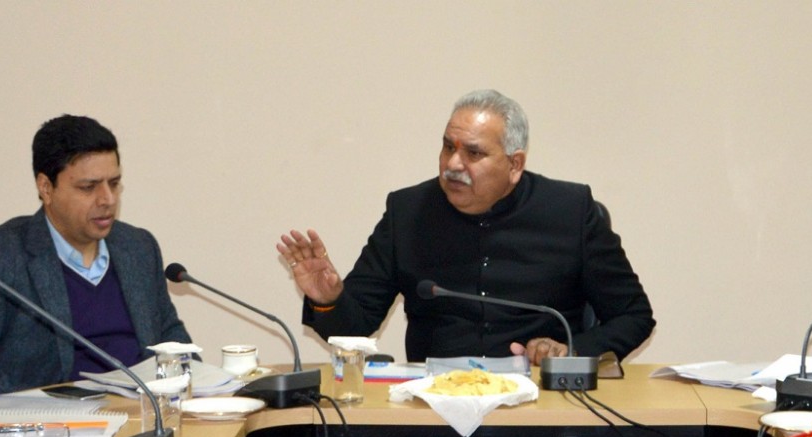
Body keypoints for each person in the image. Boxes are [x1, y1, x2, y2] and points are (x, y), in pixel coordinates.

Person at [277, 89, 654, 363]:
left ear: (515, 164)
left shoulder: (569, 211)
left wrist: (570, 351)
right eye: (448, 147)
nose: (453, 164)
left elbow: (633, 316)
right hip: (434, 408)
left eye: (473, 153)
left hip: (542, 404)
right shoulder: (407, 212)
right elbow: (355, 327)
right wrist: (327, 300)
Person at [0, 115, 190, 406]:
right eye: (89, 187)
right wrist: (42, 404)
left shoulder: (138, 248)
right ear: (46, 188)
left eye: (114, 183)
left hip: (144, 418)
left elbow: (172, 340)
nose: (108, 199)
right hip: (53, 425)